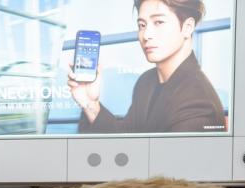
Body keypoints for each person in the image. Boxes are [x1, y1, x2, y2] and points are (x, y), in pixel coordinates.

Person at [68, 0, 225, 134]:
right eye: (142, 25)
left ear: (187, 27)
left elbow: (164, 166)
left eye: (158, 22)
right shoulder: (146, 81)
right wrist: (89, 102)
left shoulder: (198, 104)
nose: (146, 34)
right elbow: (126, 139)